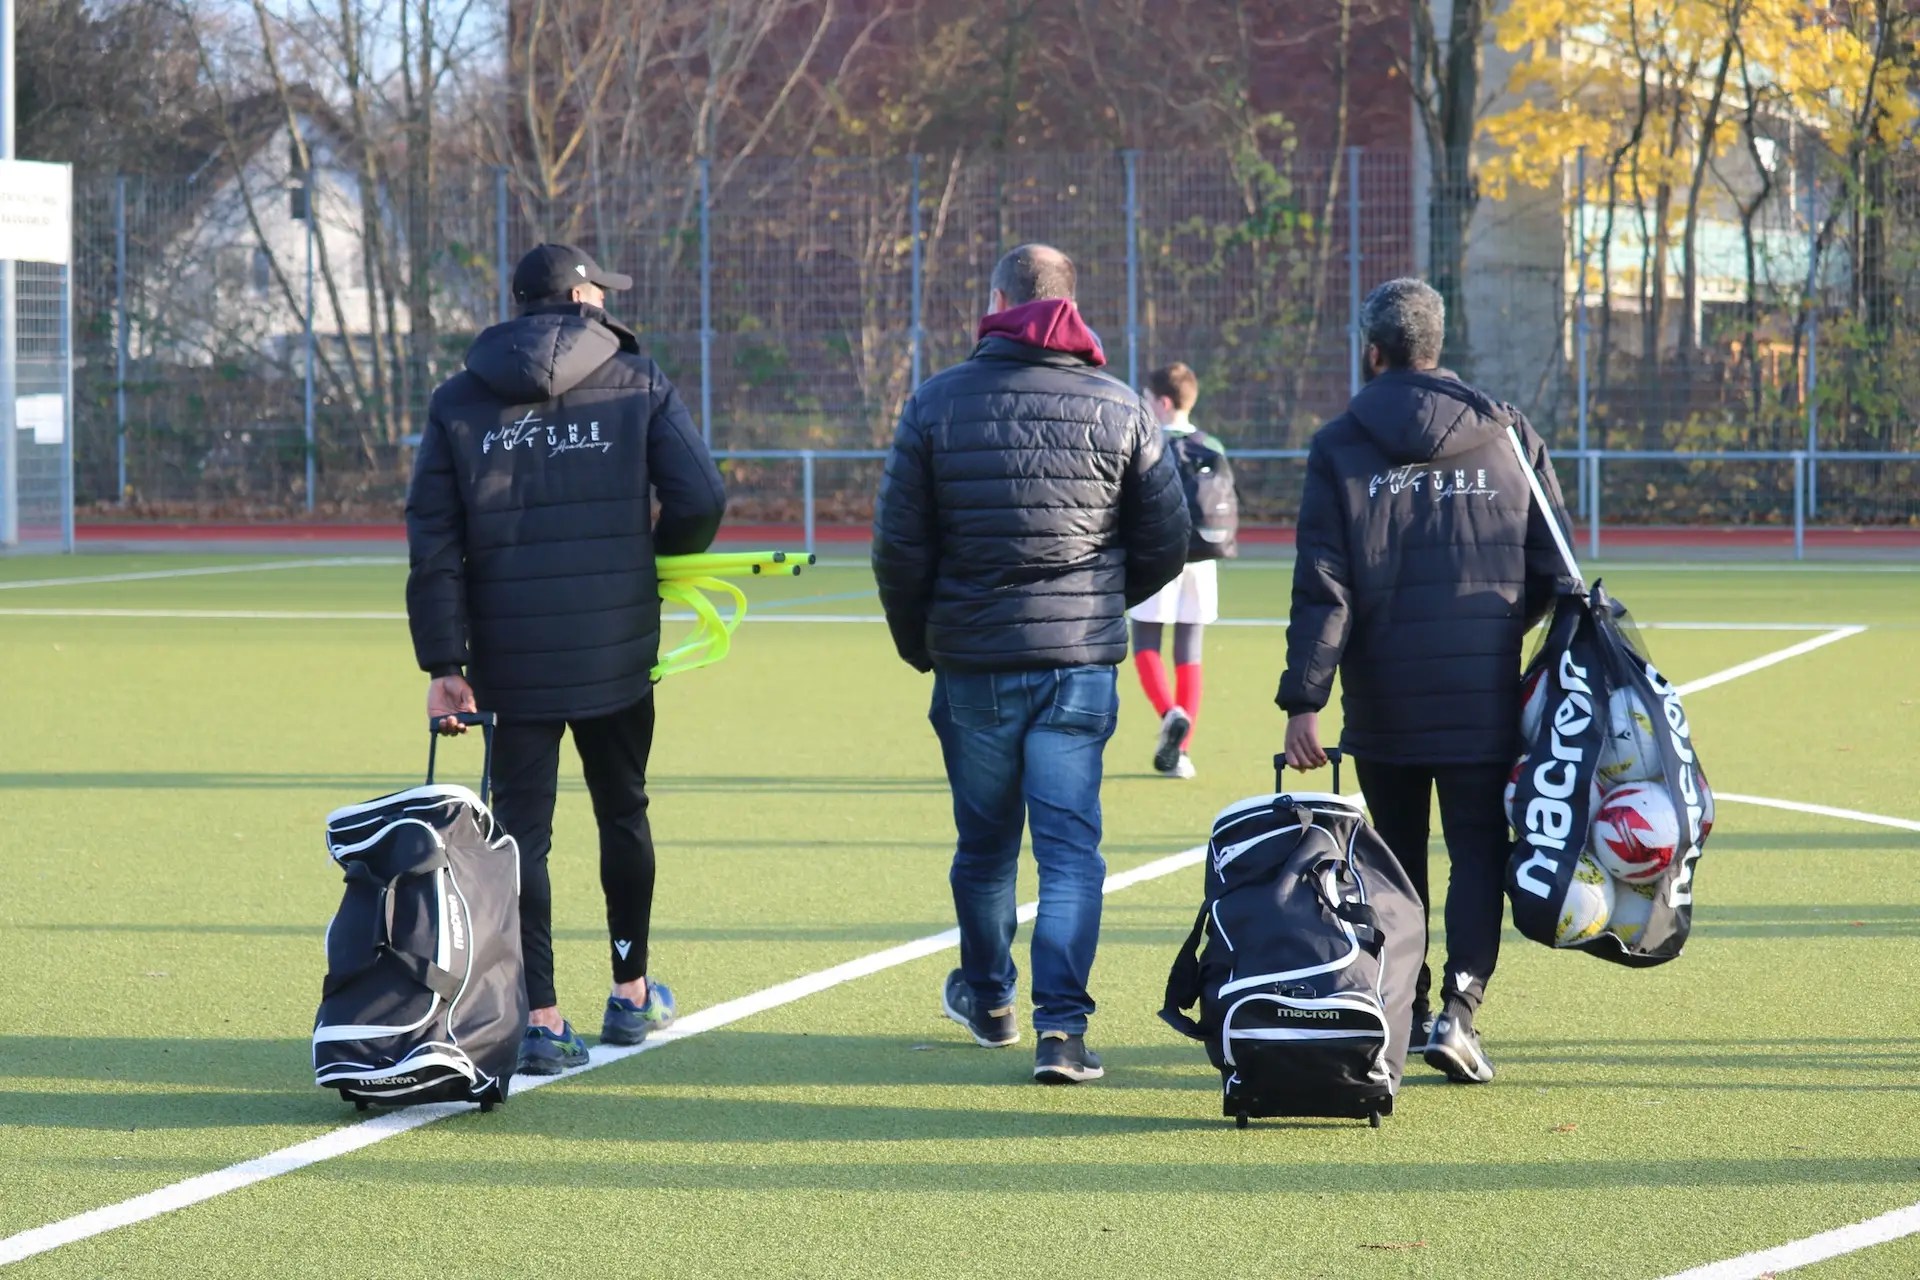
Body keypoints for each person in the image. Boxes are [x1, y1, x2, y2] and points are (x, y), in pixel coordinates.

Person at [406, 242, 727, 1076]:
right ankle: (630, 992)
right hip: (616, 640)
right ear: (582, 296)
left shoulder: (457, 399)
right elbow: (701, 497)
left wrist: (444, 660)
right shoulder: (637, 377)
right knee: (623, 811)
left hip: (509, 653)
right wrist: (653, 564)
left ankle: (540, 1017)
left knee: (522, 837)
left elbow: (433, 544)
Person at [872, 243, 1190, 1084]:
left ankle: (990, 1000)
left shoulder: (937, 402)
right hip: (1077, 662)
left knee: (984, 851)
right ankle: (1064, 1034)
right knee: (1070, 852)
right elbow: (1167, 542)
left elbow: (899, 547)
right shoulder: (1122, 407)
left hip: (973, 661)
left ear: (997, 297)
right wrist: (1096, 607)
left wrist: (920, 643)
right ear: (1070, 302)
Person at [1276, 277, 1573, 1085]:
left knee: (1395, 860)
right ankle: (1462, 1012)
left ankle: (1394, 1021)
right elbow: (1556, 567)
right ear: (1438, 346)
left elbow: (1324, 587)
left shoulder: (1340, 443)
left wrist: (1305, 699)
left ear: (1373, 351)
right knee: (1479, 849)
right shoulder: (1507, 434)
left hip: (1384, 698)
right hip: (1482, 693)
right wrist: (1501, 631)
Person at [1128, 361, 1237, 780]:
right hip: (1203, 559)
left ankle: (1170, 713)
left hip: (1160, 556)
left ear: (1162, 402)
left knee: (1145, 646)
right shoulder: (1212, 444)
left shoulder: (1149, 442)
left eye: (1146, 399)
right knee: (1189, 653)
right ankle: (1183, 754)